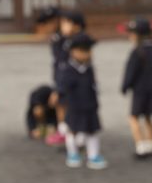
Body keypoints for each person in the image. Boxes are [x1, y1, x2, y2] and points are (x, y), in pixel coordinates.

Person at [60, 32, 107, 170]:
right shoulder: (68, 70)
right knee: (72, 131)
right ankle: (73, 153)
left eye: (88, 50)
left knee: (92, 131)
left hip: (90, 106)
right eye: (82, 50)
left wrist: (96, 103)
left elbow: (93, 87)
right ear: (73, 52)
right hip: (75, 107)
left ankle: (93, 155)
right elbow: (63, 90)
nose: (86, 54)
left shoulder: (89, 68)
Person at [121, 17, 152, 159]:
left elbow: (131, 71)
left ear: (138, 34)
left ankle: (140, 146)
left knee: (133, 117)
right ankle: (151, 144)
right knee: (148, 117)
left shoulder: (137, 51)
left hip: (140, 91)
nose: (129, 35)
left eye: (131, 33)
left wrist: (125, 86)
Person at [45, 9, 85, 147]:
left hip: (74, 81)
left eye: (67, 23)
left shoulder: (80, 41)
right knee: (60, 103)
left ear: (77, 25)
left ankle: (79, 132)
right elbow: (58, 60)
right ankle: (63, 130)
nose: (63, 26)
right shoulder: (59, 39)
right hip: (60, 77)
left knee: (75, 105)